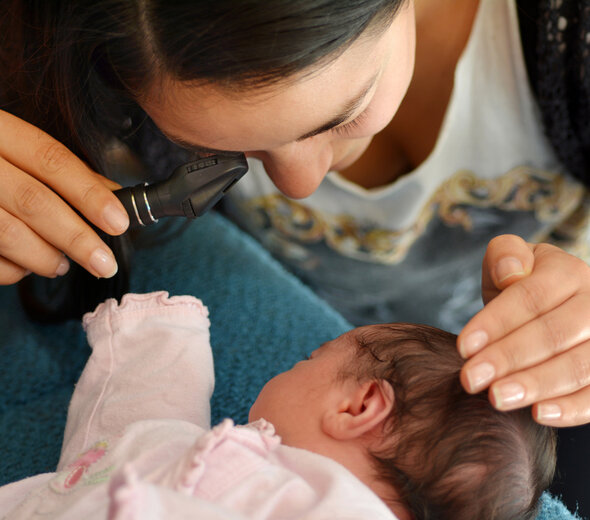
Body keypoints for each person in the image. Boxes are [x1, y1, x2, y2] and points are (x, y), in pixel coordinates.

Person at [0, 0, 589, 513]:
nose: (299, 184)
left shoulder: (567, 42)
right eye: (220, 152)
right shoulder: (94, 56)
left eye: (345, 113)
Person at [0, 292, 560, 520]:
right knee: (151, 426)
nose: (292, 365)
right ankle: (156, 339)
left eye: (310, 357)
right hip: (105, 477)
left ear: (360, 405)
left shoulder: (331, 507)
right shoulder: (252, 464)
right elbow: (146, 428)